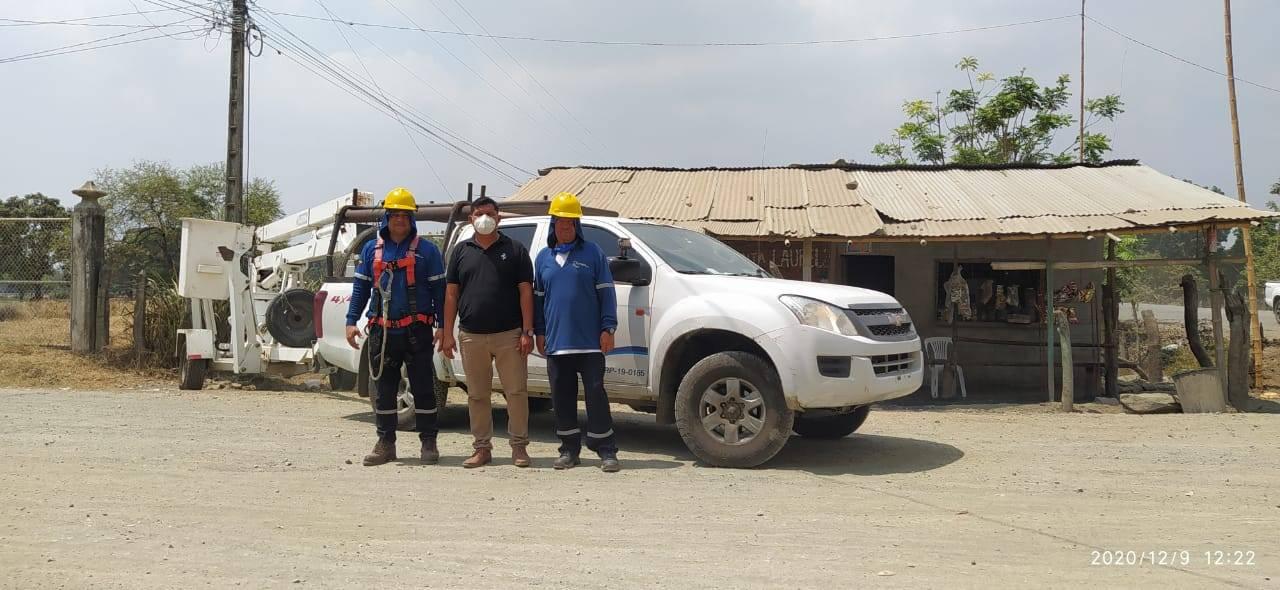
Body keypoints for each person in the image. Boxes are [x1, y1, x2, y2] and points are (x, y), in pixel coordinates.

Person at [345, 187, 446, 467]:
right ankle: (385, 443)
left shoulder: (427, 251)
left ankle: (428, 442)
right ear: (387, 217)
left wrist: (443, 325)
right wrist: (351, 321)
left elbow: (439, 292)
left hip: (417, 331)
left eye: (405, 215)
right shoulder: (371, 250)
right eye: (395, 214)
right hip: (382, 331)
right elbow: (360, 289)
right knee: (384, 390)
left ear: (412, 218)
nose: (400, 219)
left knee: (424, 388)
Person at [437, 196, 535, 468]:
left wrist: (527, 331)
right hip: (471, 336)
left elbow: (526, 292)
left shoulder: (515, 249)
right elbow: (451, 294)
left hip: (510, 335)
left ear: (498, 217)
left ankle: (519, 447)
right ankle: (482, 448)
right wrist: (447, 333)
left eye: (489, 213)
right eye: (479, 213)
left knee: (516, 393)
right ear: (471, 219)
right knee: (477, 395)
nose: (484, 218)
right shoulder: (460, 251)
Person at [533, 192, 621, 472]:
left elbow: (607, 292)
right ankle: (569, 449)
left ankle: (606, 450)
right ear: (553, 225)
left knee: (596, 394)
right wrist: (539, 332)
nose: (566, 227)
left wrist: (608, 327)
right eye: (561, 222)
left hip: (590, 342)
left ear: (577, 225)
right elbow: (538, 300)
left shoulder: (593, 253)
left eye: (571, 222)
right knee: (562, 397)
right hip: (557, 343)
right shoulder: (543, 258)